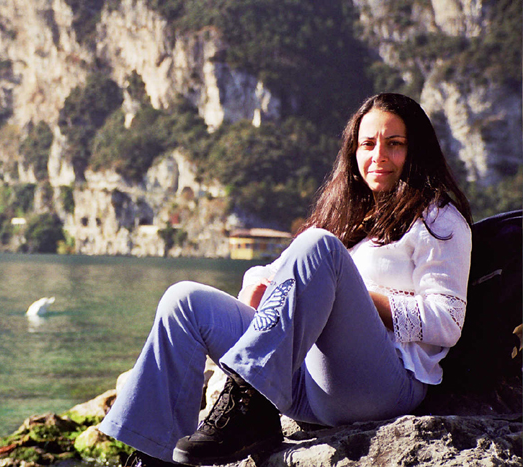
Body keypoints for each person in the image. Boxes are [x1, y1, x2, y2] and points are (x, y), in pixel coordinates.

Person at [98, 93, 473, 467]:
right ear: (353, 152)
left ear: (417, 150)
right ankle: (156, 456)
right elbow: (271, 271)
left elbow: (448, 320)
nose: (379, 156)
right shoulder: (347, 215)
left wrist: (354, 296)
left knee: (319, 246)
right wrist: (256, 291)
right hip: (306, 382)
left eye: (395, 144)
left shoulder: (439, 220)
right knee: (184, 301)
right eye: (368, 144)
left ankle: (248, 401)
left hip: (381, 386)